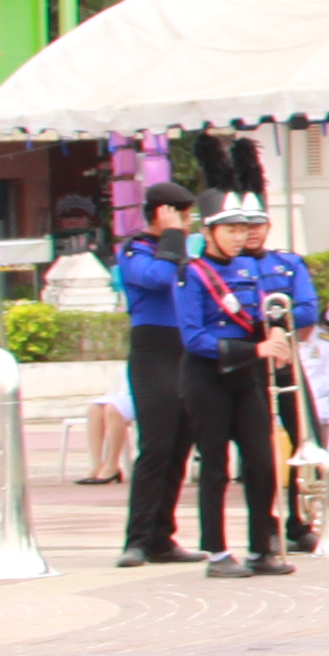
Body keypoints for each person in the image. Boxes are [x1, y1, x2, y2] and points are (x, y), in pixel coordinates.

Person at [171, 189, 294, 577]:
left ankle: (262, 547)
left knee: (261, 461)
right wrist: (257, 351)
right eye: (231, 228)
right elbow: (194, 338)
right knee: (216, 466)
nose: (240, 236)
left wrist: (275, 336)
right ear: (209, 231)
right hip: (207, 376)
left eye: (243, 227)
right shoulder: (189, 273)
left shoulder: (245, 270)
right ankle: (217, 553)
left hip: (245, 377)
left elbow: (258, 317)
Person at [112, 180, 205, 566]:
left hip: (184, 348)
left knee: (181, 446)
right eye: (181, 215)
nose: (188, 223)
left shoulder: (181, 247)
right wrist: (170, 235)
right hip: (152, 351)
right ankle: (137, 538)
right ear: (163, 214)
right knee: (156, 445)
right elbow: (156, 278)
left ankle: (162, 537)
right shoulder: (136, 248)